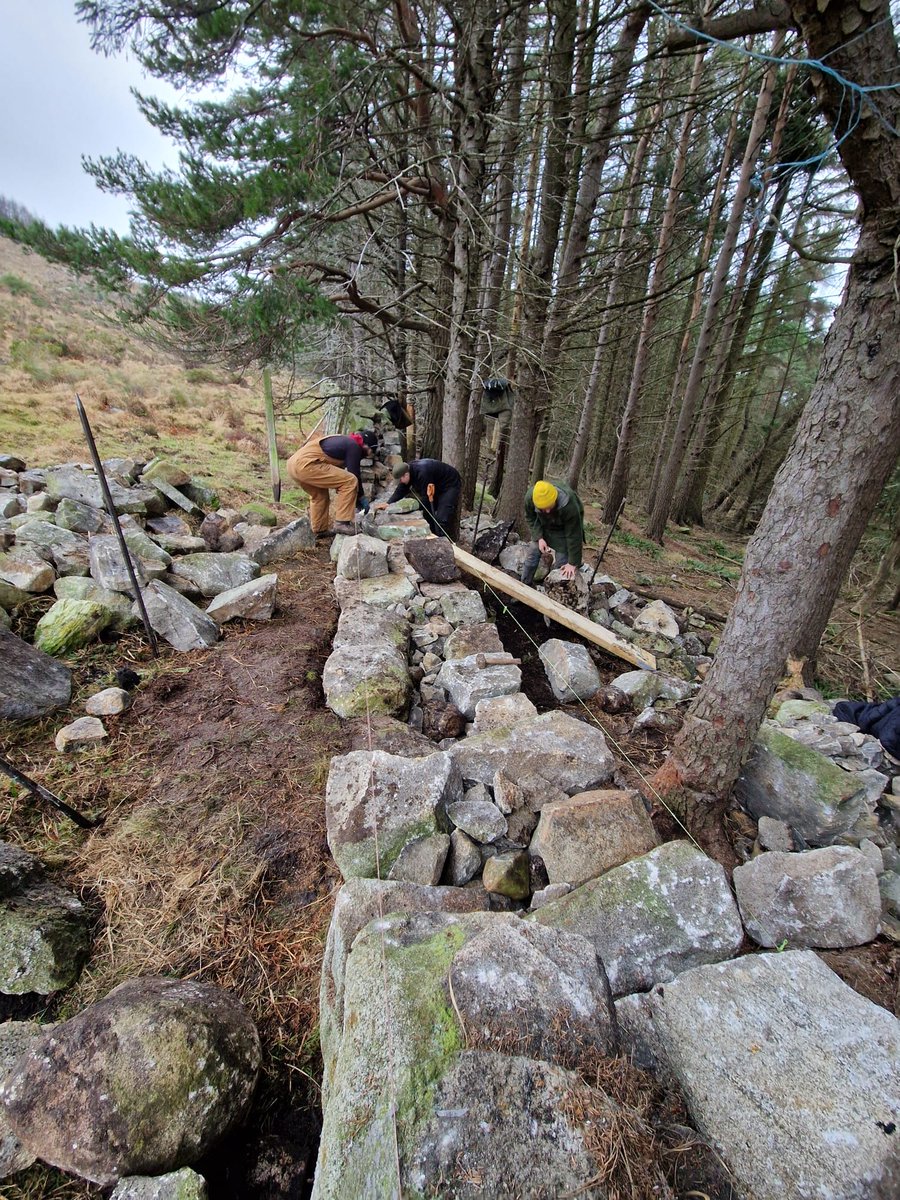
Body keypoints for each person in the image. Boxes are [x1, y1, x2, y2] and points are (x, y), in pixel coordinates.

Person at [285, 431, 373, 537]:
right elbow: (354, 474)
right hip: (307, 465)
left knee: (320, 495)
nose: (369, 454)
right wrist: (361, 497)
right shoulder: (354, 446)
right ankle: (342, 523)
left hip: (293, 464)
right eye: (371, 451)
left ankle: (319, 530)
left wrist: (356, 496)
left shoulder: (344, 441)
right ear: (366, 445)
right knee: (350, 481)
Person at [376, 459, 462, 538]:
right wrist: (389, 503)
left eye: (401, 479)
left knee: (442, 516)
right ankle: (432, 534)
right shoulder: (407, 470)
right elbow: (401, 489)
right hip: (435, 483)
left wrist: (414, 506)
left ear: (406, 474)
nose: (400, 482)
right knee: (427, 514)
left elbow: (426, 500)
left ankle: (442, 540)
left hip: (450, 484)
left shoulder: (422, 473)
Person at [521, 479, 584, 585]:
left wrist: (572, 563)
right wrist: (539, 537)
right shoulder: (530, 498)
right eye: (543, 509)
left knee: (562, 566)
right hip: (543, 525)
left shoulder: (569, 504)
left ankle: (553, 593)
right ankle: (523, 586)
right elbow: (530, 517)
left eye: (550, 506)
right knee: (532, 555)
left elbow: (574, 534)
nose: (548, 511)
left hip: (563, 531)